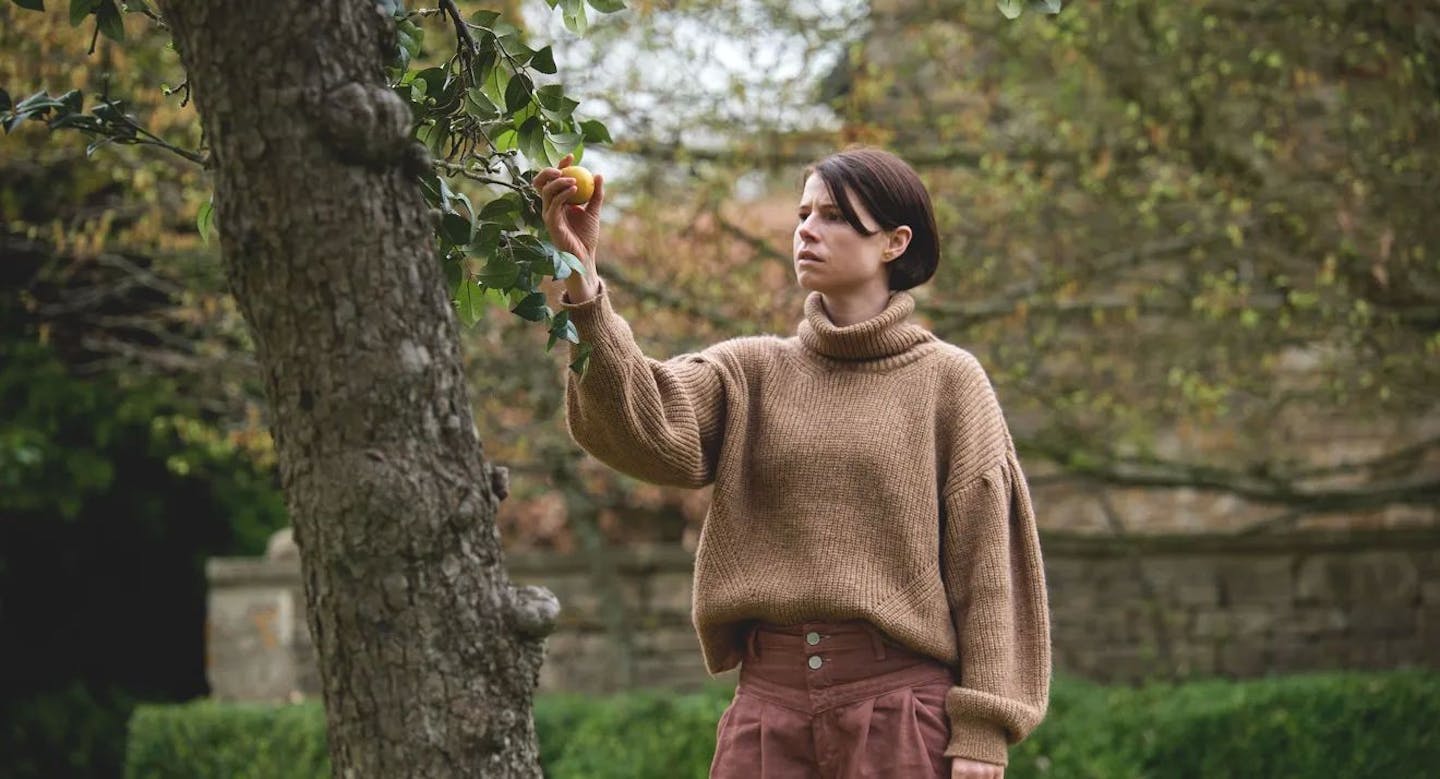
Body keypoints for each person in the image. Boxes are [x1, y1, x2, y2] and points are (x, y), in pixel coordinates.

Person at [532, 147, 1050, 778]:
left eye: (833, 215)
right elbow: (641, 424)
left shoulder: (950, 382)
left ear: (894, 241)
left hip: (903, 719)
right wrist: (583, 283)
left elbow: (991, 568)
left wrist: (983, 733)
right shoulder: (749, 371)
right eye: (803, 213)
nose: (805, 228)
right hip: (766, 718)